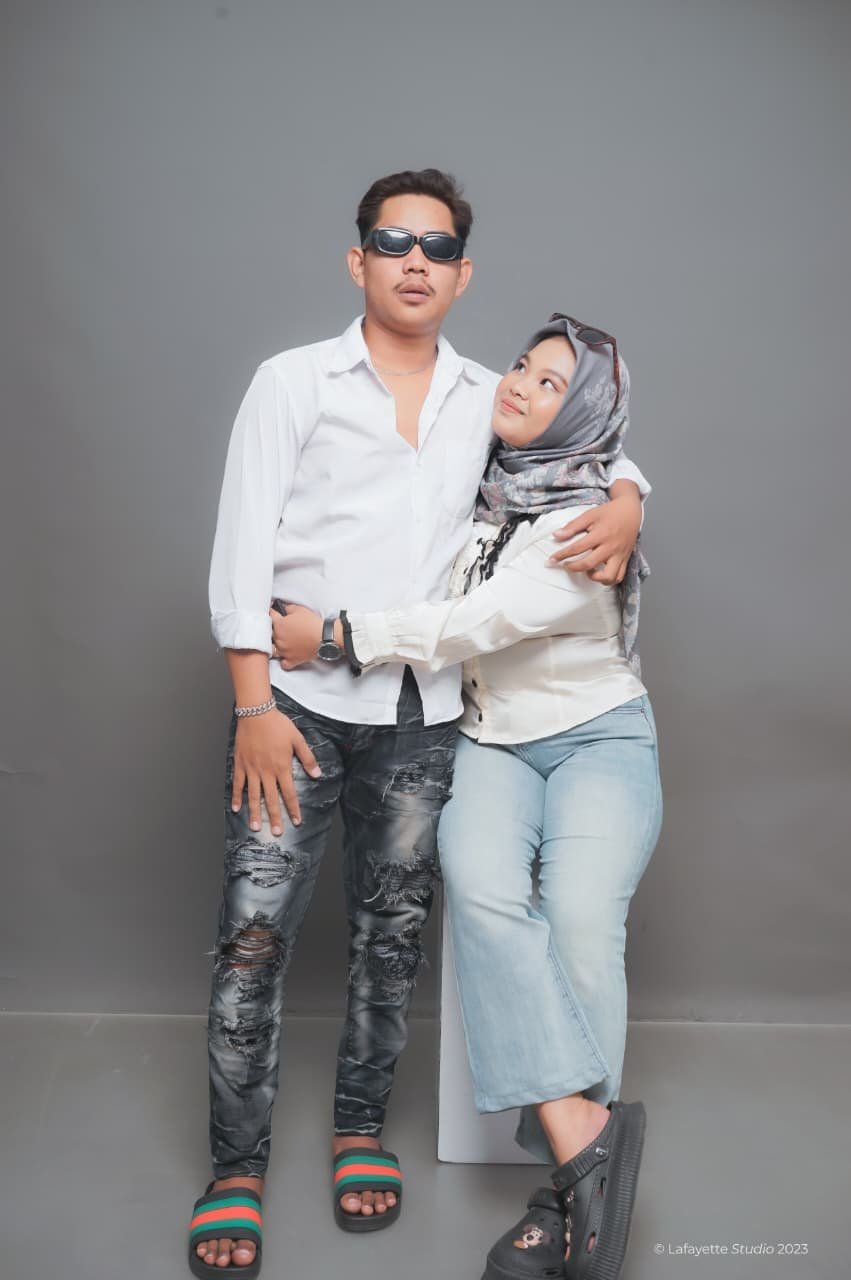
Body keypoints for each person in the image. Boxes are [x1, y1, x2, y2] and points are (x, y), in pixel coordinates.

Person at [189, 169, 649, 1277]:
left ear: (460, 273)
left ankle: (359, 1130)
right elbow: (239, 553)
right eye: (392, 242)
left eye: (436, 247)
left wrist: (632, 498)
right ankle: (234, 1168)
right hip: (294, 709)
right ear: (358, 260)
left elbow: (584, 441)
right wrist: (251, 704)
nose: (413, 261)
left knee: (388, 944)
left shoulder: (485, 396)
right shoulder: (292, 382)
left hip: (423, 717)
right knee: (254, 938)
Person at [271, 313, 663, 1280]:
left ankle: (561, 1195)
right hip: (491, 738)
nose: (519, 384)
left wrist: (333, 636)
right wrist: (633, 488)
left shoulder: (581, 523)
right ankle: (588, 1149)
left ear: (582, 412)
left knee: (580, 920)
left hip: (600, 736)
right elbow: (616, 457)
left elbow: (468, 625)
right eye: (521, 366)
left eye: (550, 382)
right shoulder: (488, 469)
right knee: (482, 891)